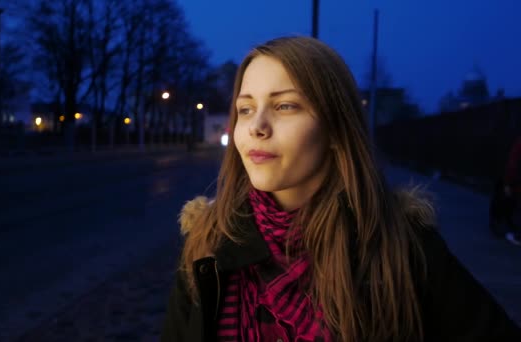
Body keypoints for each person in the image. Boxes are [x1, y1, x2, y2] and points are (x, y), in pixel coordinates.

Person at [161, 36, 521, 342]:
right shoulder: (207, 242)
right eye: (245, 108)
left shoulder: (400, 244)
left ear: (335, 129)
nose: (257, 126)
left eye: (284, 106)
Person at [490, 136, 521, 245]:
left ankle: (513, 232)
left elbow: (512, 163)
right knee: (508, 205)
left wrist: (507, 182)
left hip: (512, 180)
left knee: (506, 204)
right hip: (512, 180)